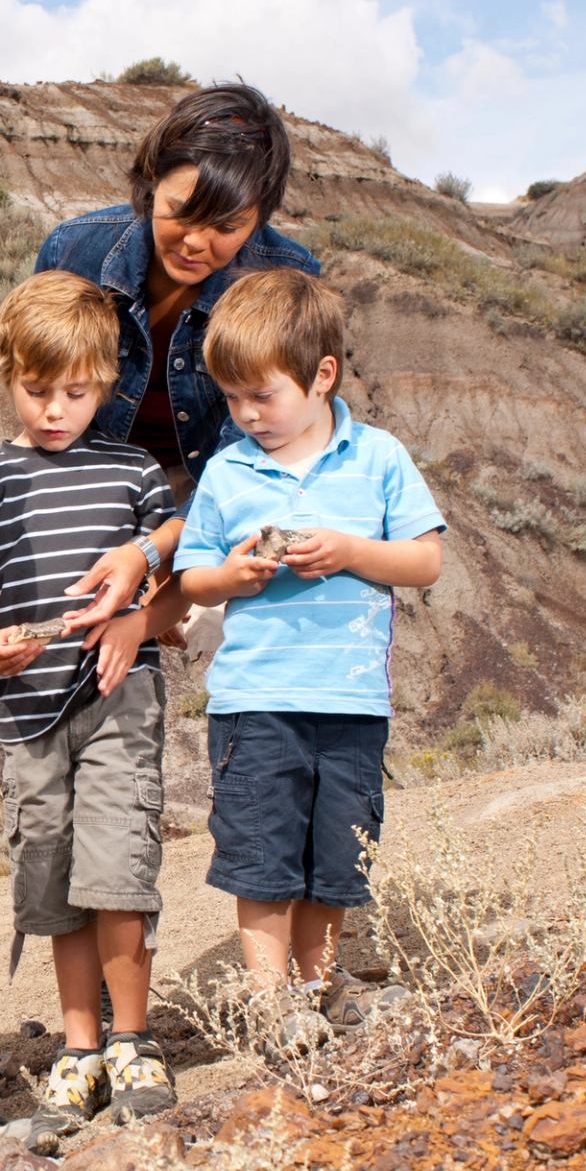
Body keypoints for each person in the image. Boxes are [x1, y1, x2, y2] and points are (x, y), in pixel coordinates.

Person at [0, 271, 179, 1152]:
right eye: (38, 391)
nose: (57, 409)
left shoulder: (135, 473)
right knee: (56, 881)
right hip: (26, 715)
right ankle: (80, 1049)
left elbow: (171, 561)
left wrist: (140, 604)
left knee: (119, 866)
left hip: (118, 699)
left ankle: (135, 1040)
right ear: (7, 374)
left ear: (106, 381)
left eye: (76, 391)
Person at [160, 268, 444, 997]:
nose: (247, 413)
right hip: (256, 700)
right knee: (261, 853)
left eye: (263, 394)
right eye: (232, 398)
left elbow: (425, 560)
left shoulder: (379, 456)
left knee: (335, 860)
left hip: (352, 703)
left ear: (322, 375)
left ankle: (319, 985)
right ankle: (269, 998)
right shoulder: (228, 472)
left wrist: (349, 551)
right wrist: (235, 577)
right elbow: (193, 579)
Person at [32, 81, 321, 636]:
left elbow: (262, 448)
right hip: (101, 469)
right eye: (180, 212)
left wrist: (159, 551)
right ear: (150, 184)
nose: (194, 242)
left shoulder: (286, 277)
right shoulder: (75, 249)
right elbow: (41, 383)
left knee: (208, 610)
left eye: (227, 226)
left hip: (220, 478)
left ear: (259, 218)